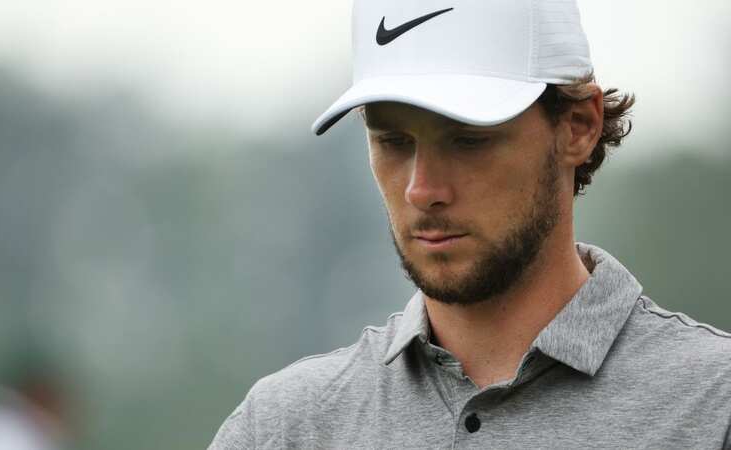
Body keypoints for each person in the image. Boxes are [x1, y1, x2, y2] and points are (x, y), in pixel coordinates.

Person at [210, 0, 731, 448]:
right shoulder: (283, 427)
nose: (422, 189)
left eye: (468, 139)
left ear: (579, 126)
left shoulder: (714, 407)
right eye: (394, 142)